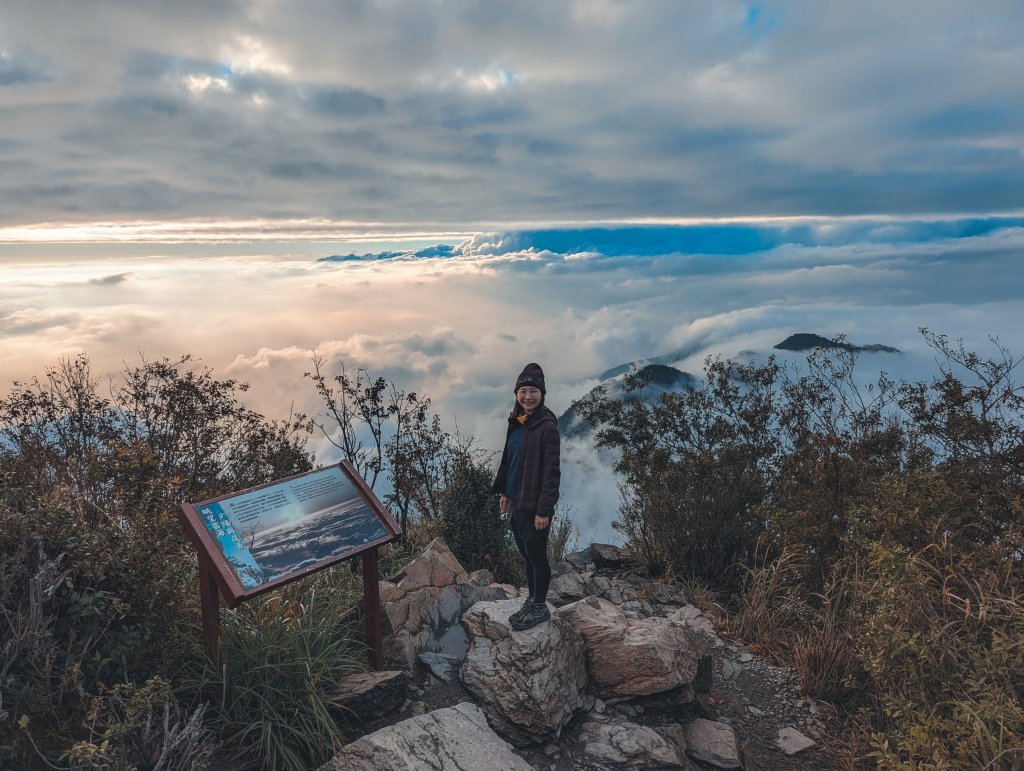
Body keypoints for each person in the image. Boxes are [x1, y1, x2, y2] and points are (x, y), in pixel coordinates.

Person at [491, 363, 561, 631]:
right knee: (526, 555)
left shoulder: (547, 427)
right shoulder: (518, 421)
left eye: (533, 391)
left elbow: (551, 473)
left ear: (542, 393)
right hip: (517, 502)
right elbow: (510, 460)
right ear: (516, 393)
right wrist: (506, 494)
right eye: (523, 391)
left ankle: (540, 606)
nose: (528, 396)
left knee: (537, 555)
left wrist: (544, 510)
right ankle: (531, 600)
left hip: (535, 506)